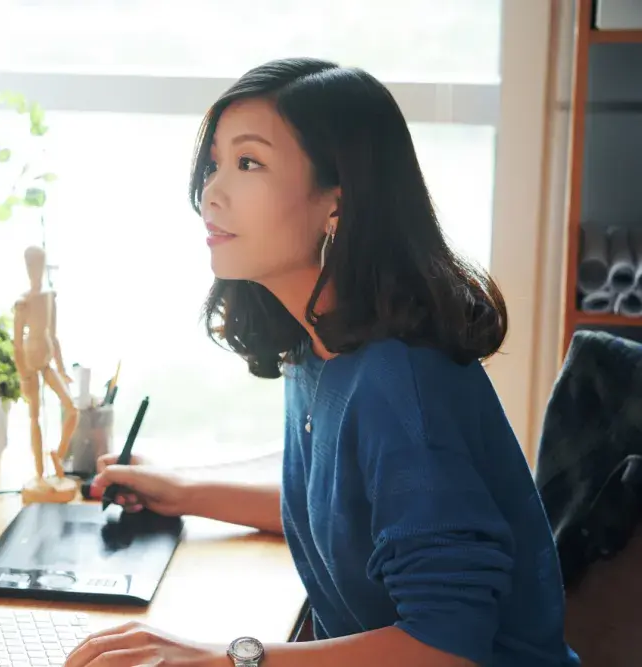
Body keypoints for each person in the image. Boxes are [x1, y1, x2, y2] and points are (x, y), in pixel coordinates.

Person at [65, 58, 579, 667]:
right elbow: (343, 509)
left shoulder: (400, 383)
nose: (212, 192)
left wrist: (225, 659)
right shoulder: (321, 345)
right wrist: (184, 490)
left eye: (248, 163)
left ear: (336, 202)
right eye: (214, 165)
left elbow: (447, 646)